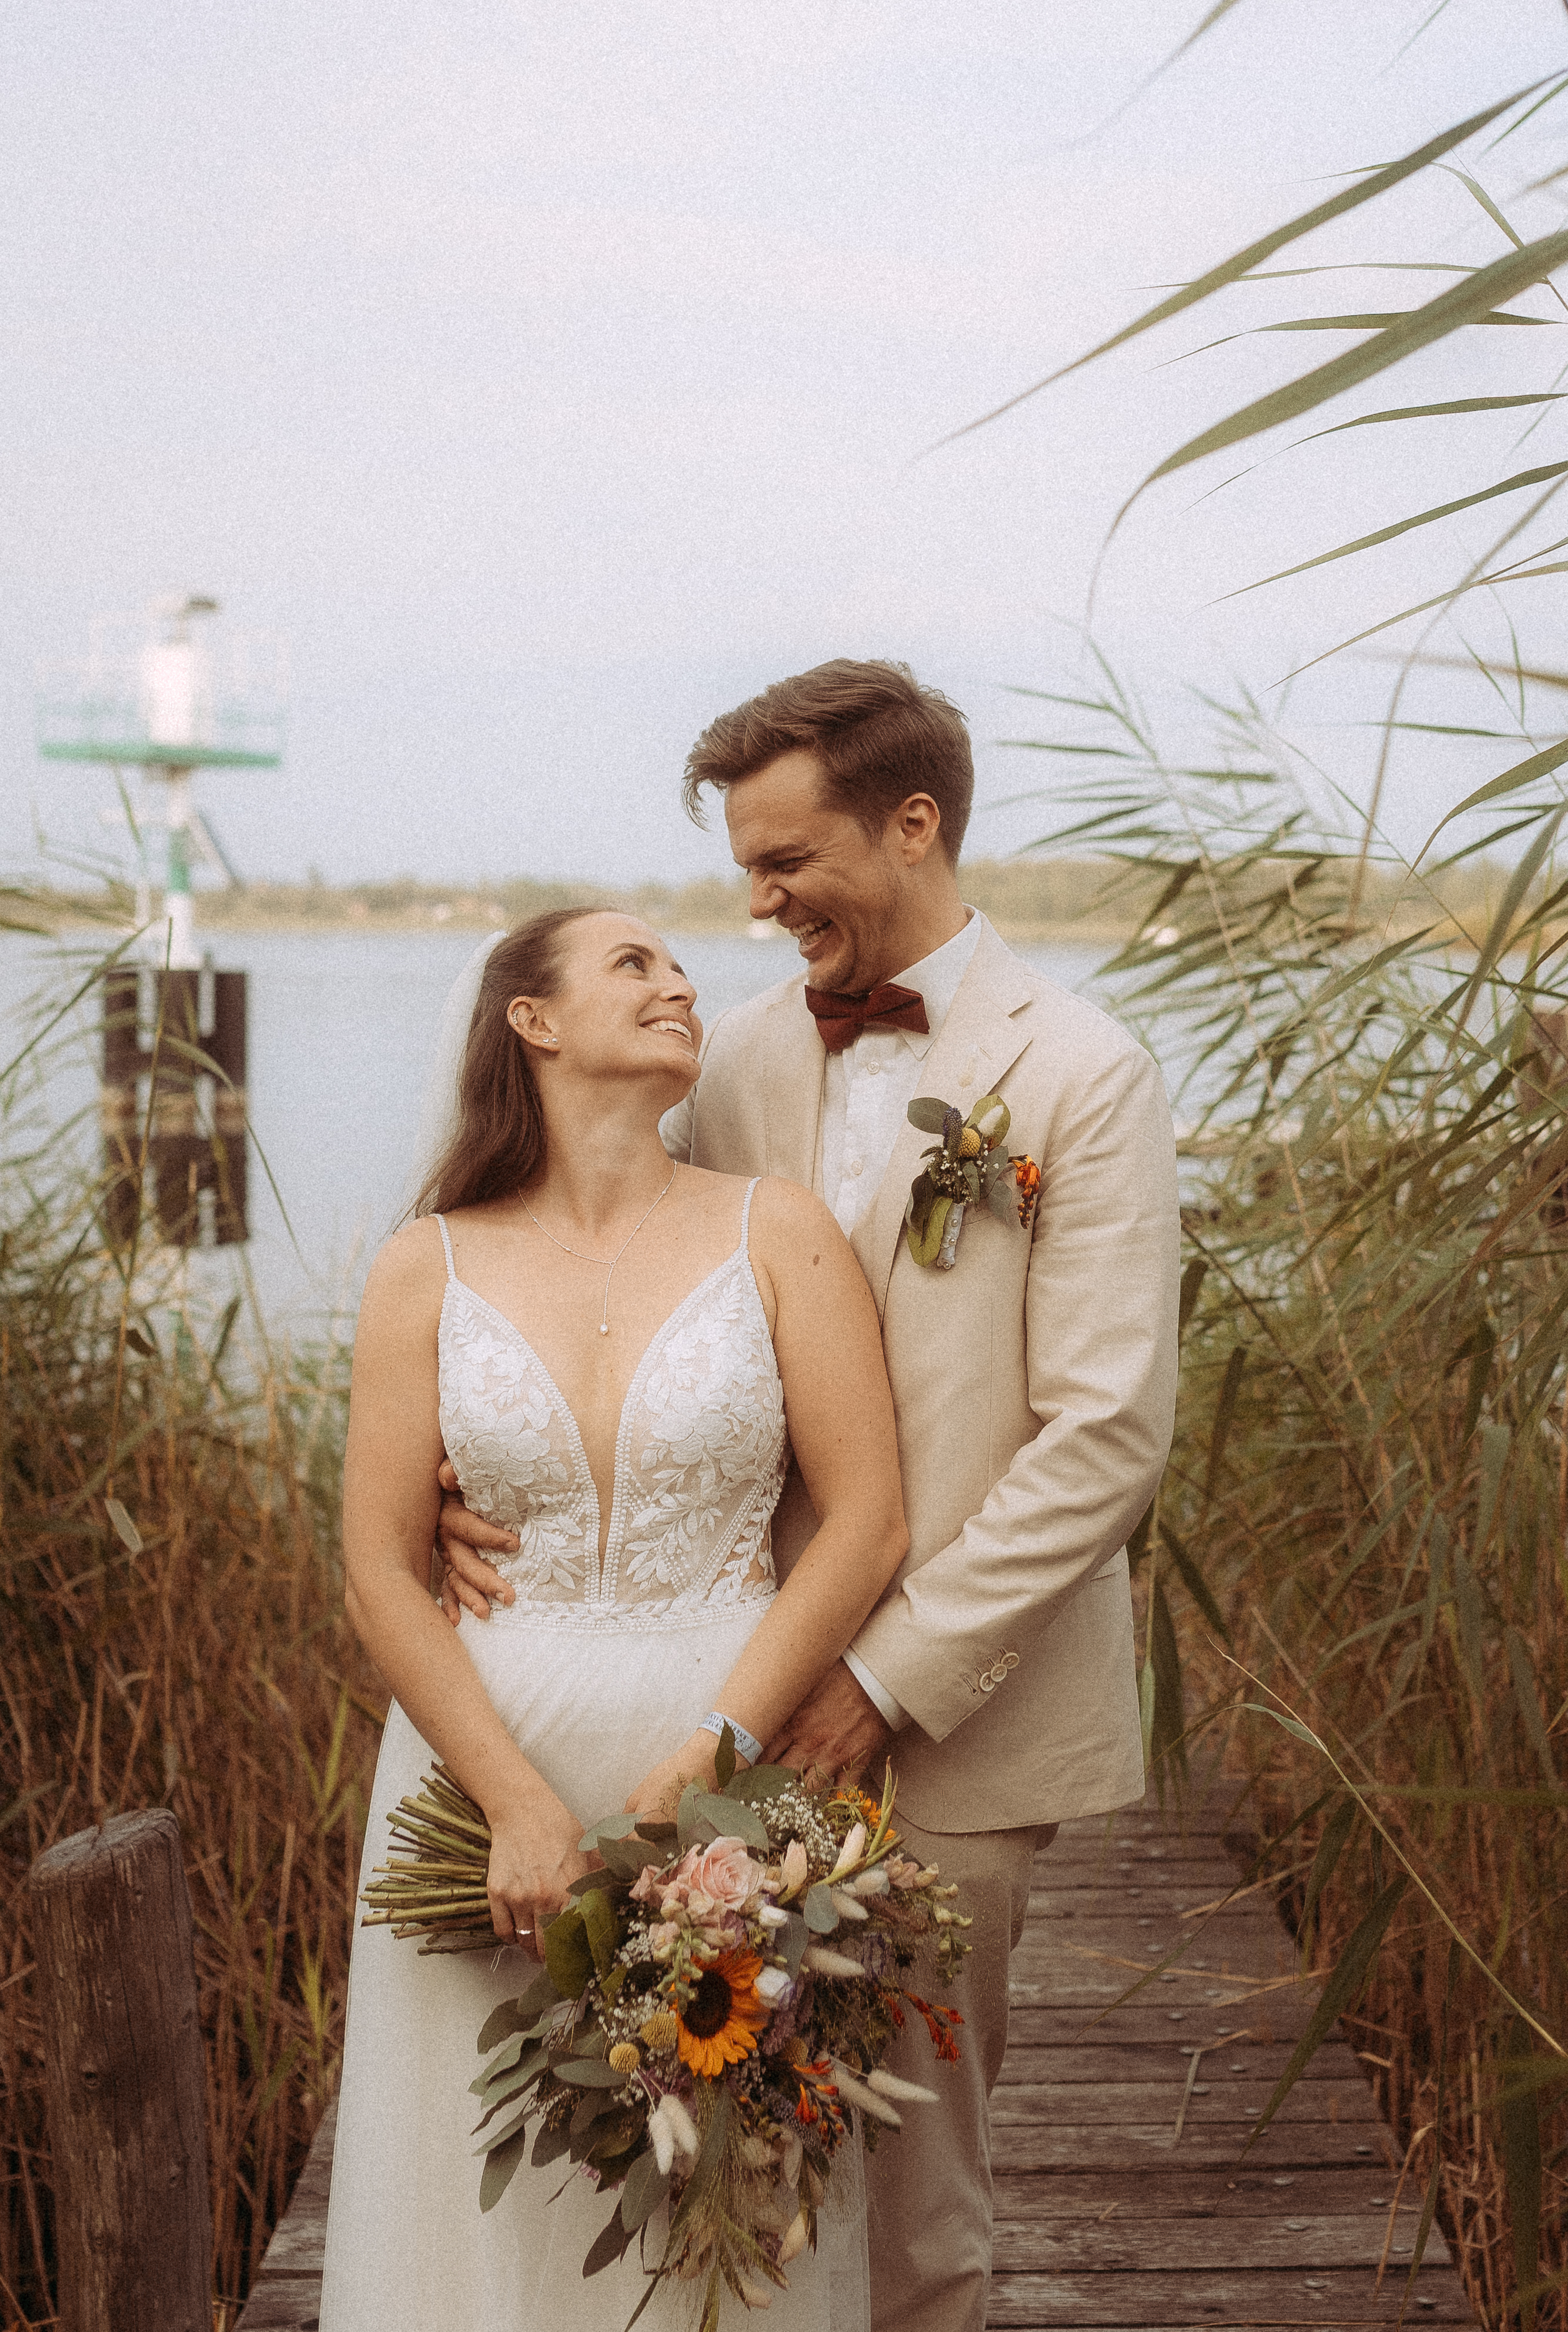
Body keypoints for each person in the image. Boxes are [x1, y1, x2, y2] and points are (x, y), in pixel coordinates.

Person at [437, 659, 1182, 2332]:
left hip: (958, 1727)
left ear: (910, 826)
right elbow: (603, 1290)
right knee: (721, 2167)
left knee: (919, 2196)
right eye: (743, 864)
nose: (753, 902)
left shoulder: (1081, 1072)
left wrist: (884, 1678)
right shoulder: (737, 1061)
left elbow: (1104, 1436)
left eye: (783, 861)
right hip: (726, 1694)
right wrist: (444, 1477)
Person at [319, 906, 910, 2332]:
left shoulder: (777, 1228)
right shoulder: (425, 1265)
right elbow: (380, 1570)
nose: (678, 980)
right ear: (531, 1020)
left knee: (723, 2194)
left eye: (680, 964)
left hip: (722, 1762)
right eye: (632, 962)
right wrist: (511, 1801)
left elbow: (868, 1520)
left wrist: (723, 1745)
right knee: (480, 2185)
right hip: (479, 1775)